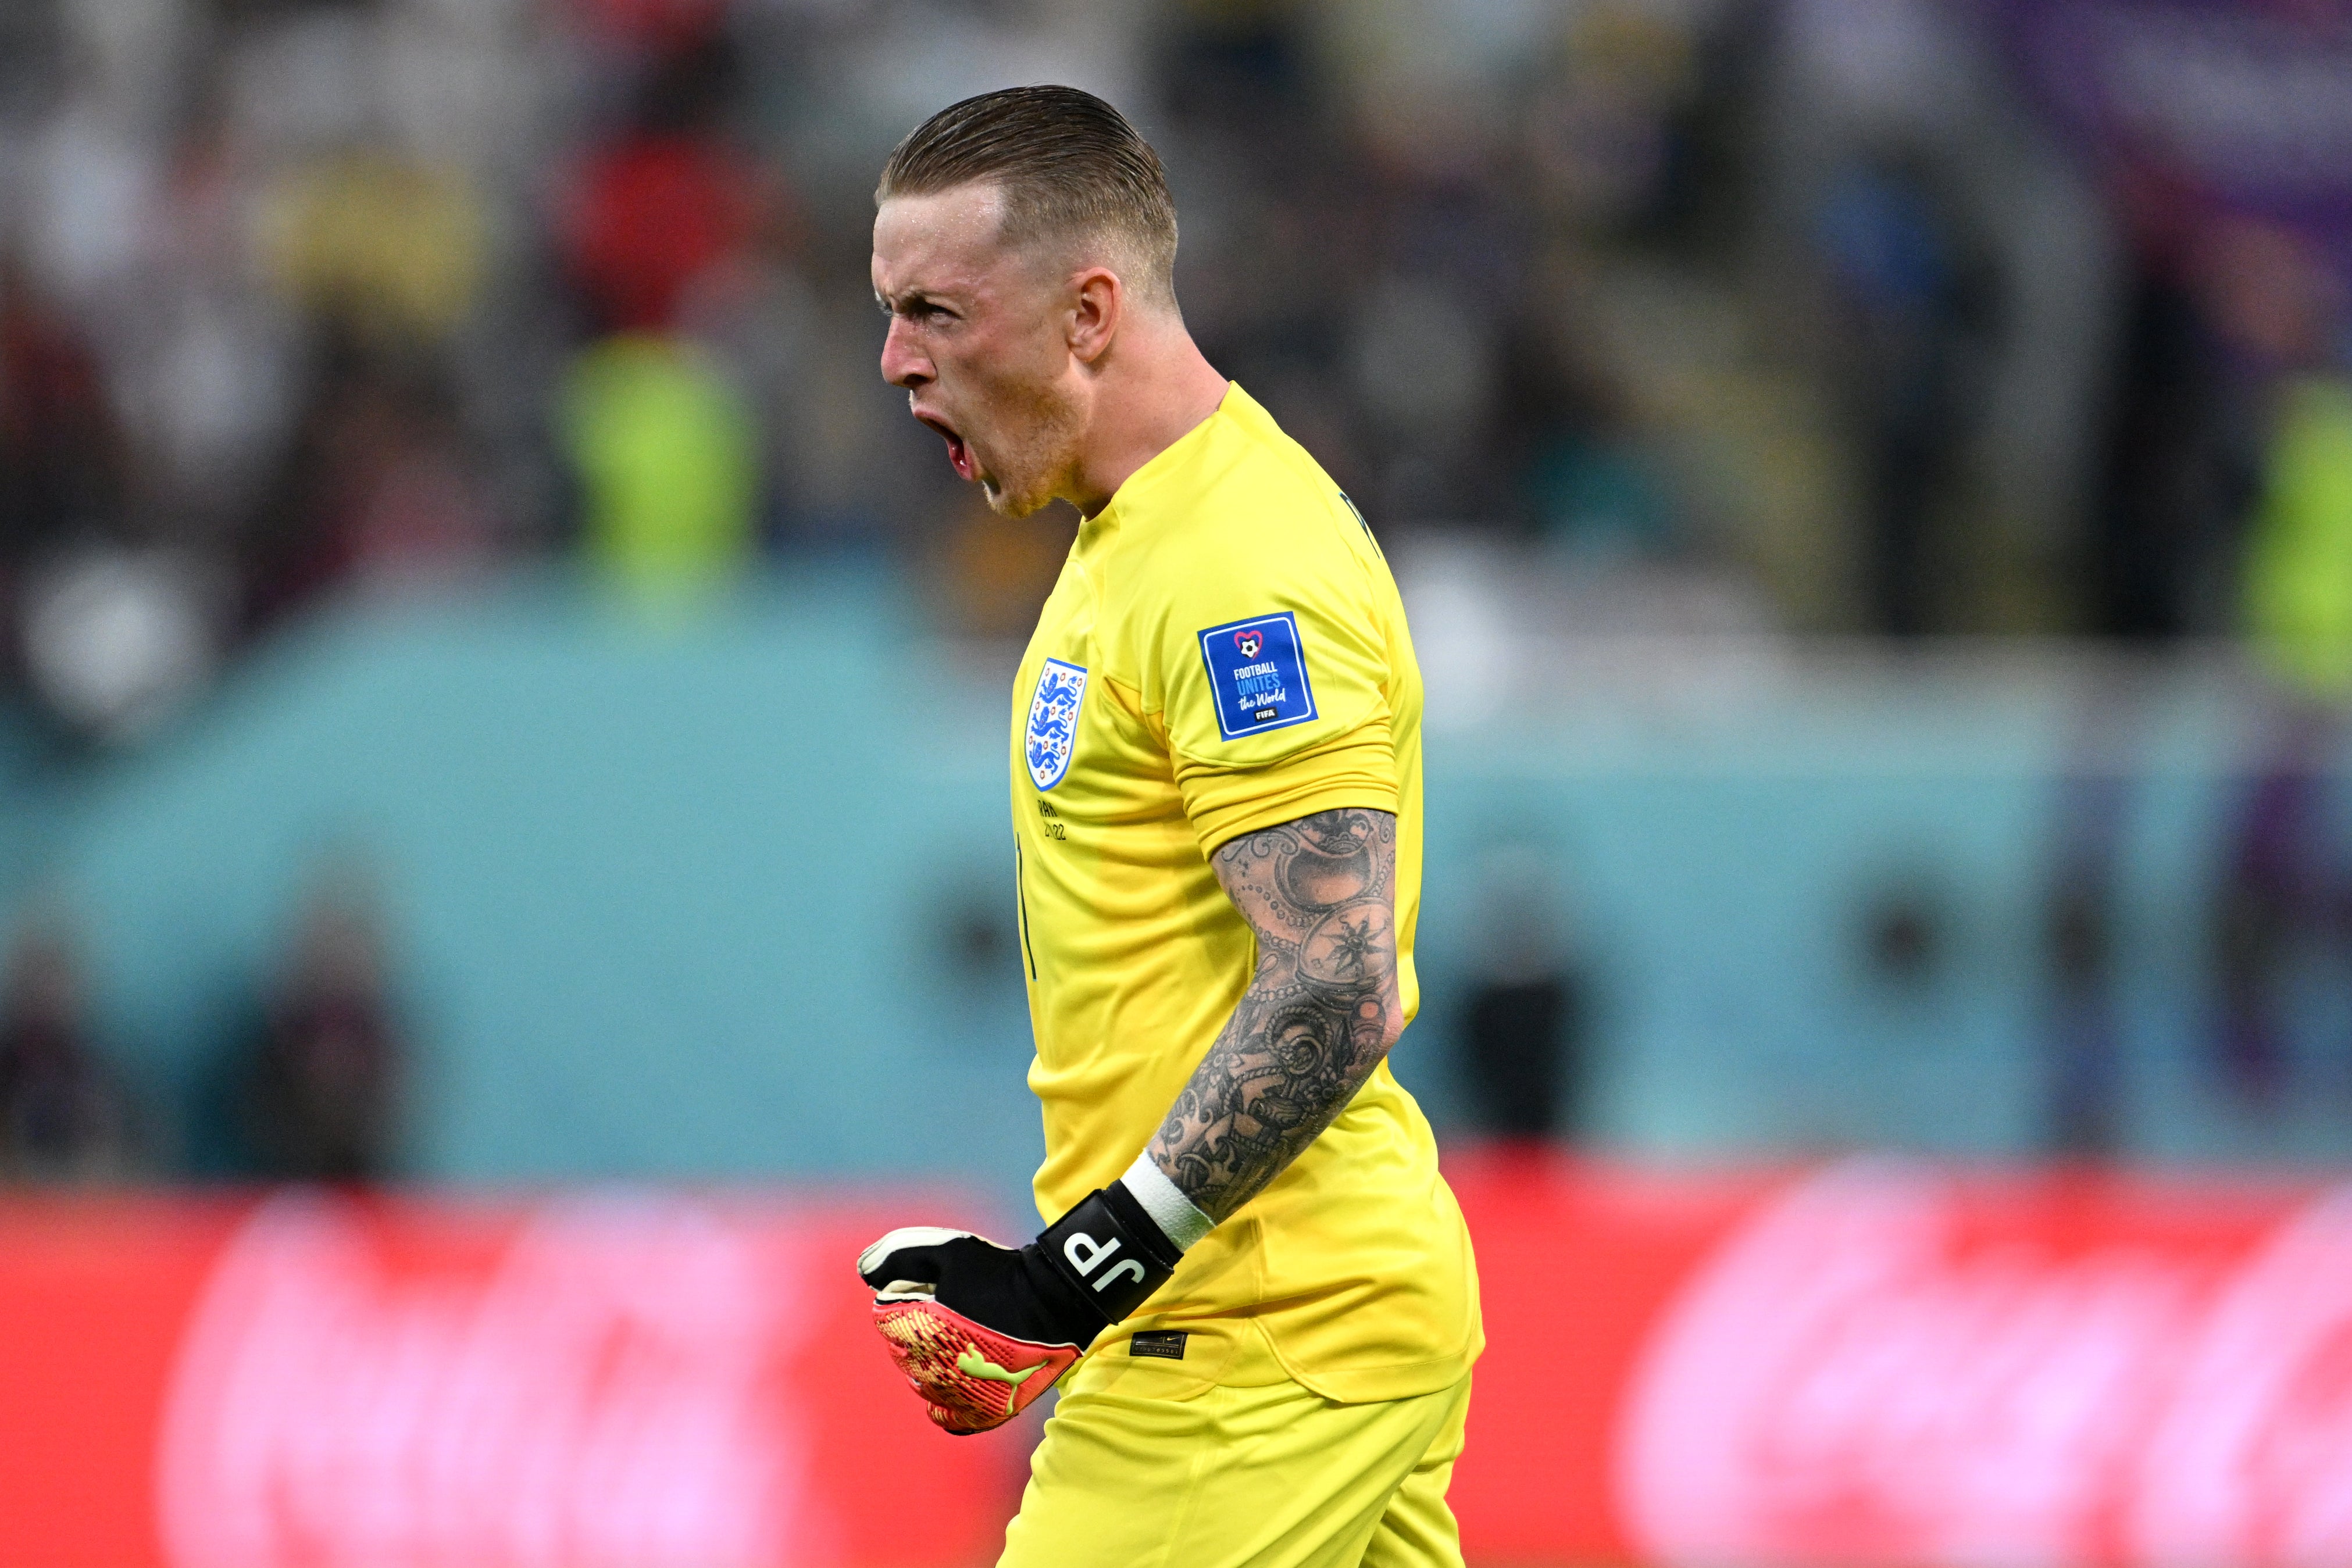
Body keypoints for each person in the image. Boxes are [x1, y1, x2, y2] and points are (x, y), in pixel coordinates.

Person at [855, 88, 1481, 1568]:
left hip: (1256, 1335)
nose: (894, 362)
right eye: (889, 314)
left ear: (1087, 311)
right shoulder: (1126, 529)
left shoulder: (1236, 570)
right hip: (1301, 1314)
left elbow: (1335, 985)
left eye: (936, 311)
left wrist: (1075, 1274)